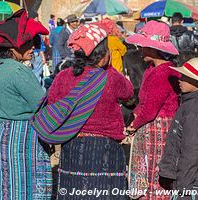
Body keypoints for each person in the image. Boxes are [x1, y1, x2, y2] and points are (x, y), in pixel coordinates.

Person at [47, 23, 133, 199]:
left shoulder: (63, 77)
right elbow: (128, 92)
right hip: (106, 151)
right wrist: (107, 66)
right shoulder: (111, 77)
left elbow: (52, 103)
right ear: (102, 54)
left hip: (72, 147)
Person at [0, 9, 52, 199]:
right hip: (21, 139)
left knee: (7, 188)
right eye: (28, 43)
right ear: (13, 47)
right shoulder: (18, 71)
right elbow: (41, 102)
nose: (33, 48)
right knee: (24, 188)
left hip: (3, 136)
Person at [125, 20, 180, 200]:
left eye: (143, 46)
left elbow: (150, 109)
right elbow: (144, 101)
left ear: (153, 48)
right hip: (152, 124)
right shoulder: (152, 69)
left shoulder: (164, 72)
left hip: (160, 128)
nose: (140, 50)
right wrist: (135, 115)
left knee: (154, 168)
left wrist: (134, 125)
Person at [159, 58, 198, 200]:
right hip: (191, 180)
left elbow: (192, 150)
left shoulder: (194, 110)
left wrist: (183, 186)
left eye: (185, 77)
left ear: (197, 81)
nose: (180, 80)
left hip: (190, 183)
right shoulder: (194, 102)